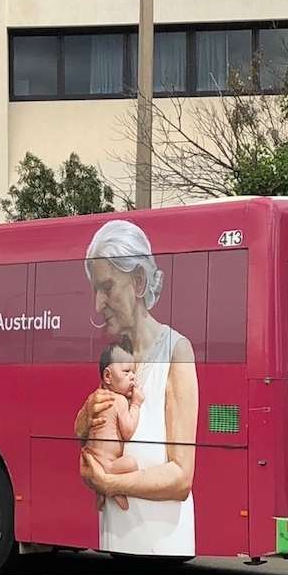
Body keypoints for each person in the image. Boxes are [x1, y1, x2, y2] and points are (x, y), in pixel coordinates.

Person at [73, 220, 198, 556]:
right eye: (95, 290)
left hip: (163, 544)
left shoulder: (176, 351)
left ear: (139, 280)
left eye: (107, 287)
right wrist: (85, 421)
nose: (98, 304)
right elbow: (97, 439)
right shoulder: (116, 357)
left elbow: (181, 476)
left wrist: (109, 483)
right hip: (116, 538)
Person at [85, 341, 143, 512]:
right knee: (131, 463)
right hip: (108, 464)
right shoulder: (119, 400)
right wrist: (136, 404)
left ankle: (100, 495)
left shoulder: (97, 397)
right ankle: (113, 489)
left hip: (93, 458)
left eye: (134, 372)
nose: (133, 377)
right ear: (108, 376)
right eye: (126, 371)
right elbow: (128, 431)